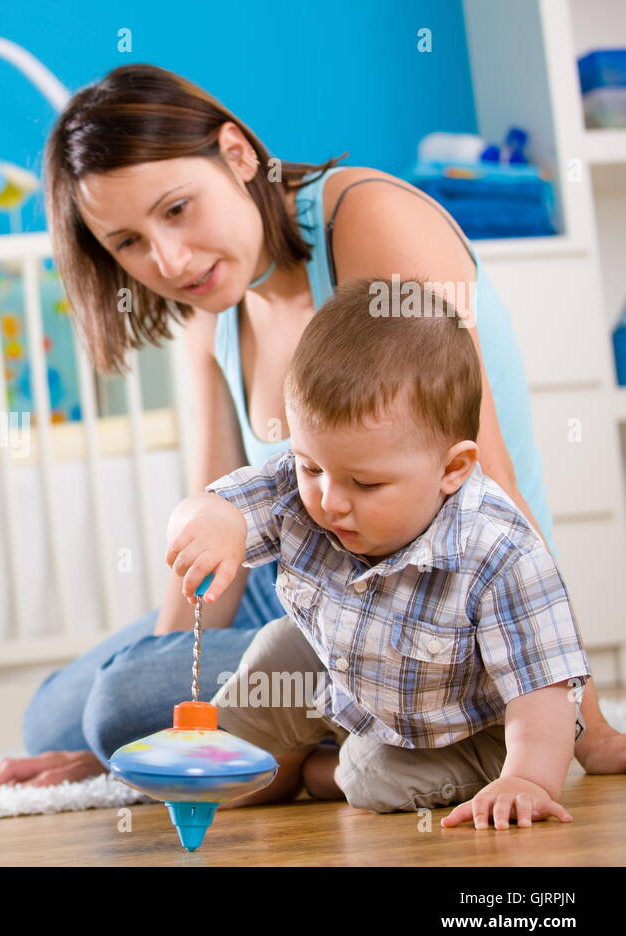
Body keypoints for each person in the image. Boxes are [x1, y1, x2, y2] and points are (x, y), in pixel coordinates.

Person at [0, 62, 625, 793]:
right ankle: (299, 746)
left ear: (236, 154)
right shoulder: (210, 299)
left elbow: (490, 481)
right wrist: (134, 733)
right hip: (305, 572)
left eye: (177, 209)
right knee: (61, 717)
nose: (168, 260)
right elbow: (217, 518)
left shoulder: (370, 222)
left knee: (123, 701)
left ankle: (336, 760)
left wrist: (583, 721)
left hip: (427, 593)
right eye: (127, 242)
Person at [165, 277, 588, 827]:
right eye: (311, 466)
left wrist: (527, 778)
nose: (330, 501)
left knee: (369, 776)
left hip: (469, 732)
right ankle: (278, 765)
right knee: (273, 655)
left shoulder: (499, 551)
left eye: (365, 484)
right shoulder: (306, 489)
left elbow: (543, 690)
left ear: (452, 469)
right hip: (361, 684)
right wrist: (211, 524)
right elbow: (210, 505)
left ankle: (324, 774)